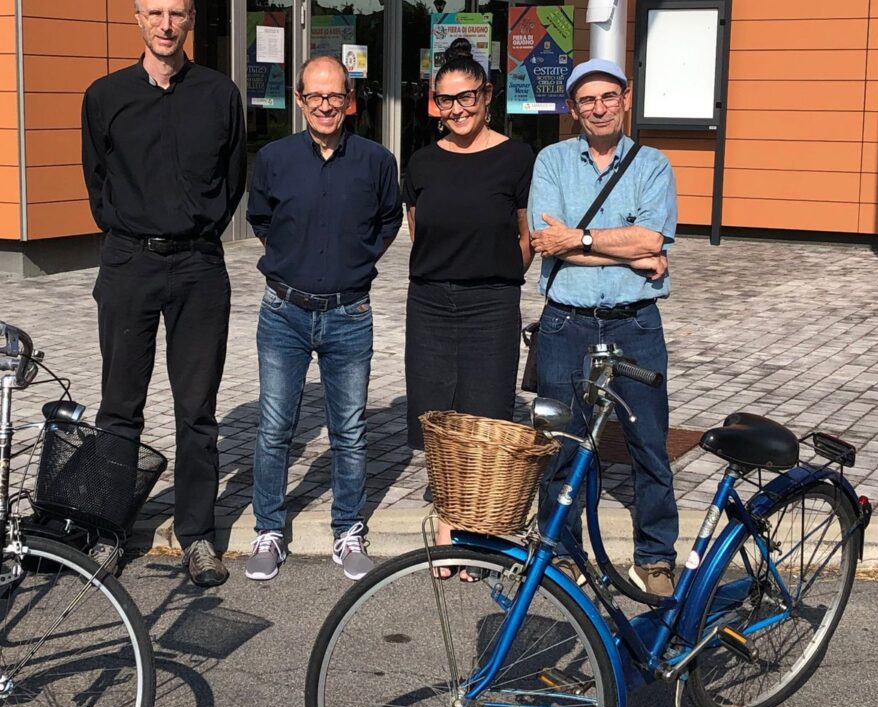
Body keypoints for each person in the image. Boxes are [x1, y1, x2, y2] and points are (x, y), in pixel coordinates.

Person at [81, 0, 245, 588]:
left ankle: (197, 535)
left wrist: (195, 231)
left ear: (192, 18)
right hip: (128, 263)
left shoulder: (220, 95)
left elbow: (231, 181)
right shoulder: (104, 97)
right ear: (137, 18)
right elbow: (96, 180)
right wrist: (131, 233)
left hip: (199, 265)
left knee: (196, 408)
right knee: (119, 407)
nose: (166, 24)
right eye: (154, 13)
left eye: (176, 13)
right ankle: (107, 532)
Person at [243, 55, 403, 582]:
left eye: (335, 95)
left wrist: (355, 260)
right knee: (273, 428)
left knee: (350, 430)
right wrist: (292, 257)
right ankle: (268, 528)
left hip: (349, 313)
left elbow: (388, 219)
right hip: (283, 312)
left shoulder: (378, 161)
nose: (326, 104)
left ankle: (348, 529)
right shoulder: (273, 158)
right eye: (315, 96)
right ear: (300, 100)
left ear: (349, 99)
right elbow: (261, 217)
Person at [528, 57, 678, 597]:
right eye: (586, 100)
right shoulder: (551, 161)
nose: (598, 108)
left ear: (626, 98)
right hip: (566, 325)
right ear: (574, 108)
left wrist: (582, 240)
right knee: (563, 443)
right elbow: (547, 242)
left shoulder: (653, 164)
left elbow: (652, 241)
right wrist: (629, 249)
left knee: (648, 443)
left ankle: (656, 557)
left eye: (607, 97)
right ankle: (561, 554)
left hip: (635, 324)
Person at [402, 55, 534, 575]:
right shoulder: (421, 162)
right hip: (431, 301)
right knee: (438, 417)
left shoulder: (518, 156)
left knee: (487, 414)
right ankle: (446, 523)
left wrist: (495, 273)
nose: (457, 108)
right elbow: (420, 229)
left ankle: (478, 533)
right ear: (435, 104)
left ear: (486, 96)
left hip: (492, 303)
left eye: (467, 96)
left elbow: (526, 237)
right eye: (446, 99)